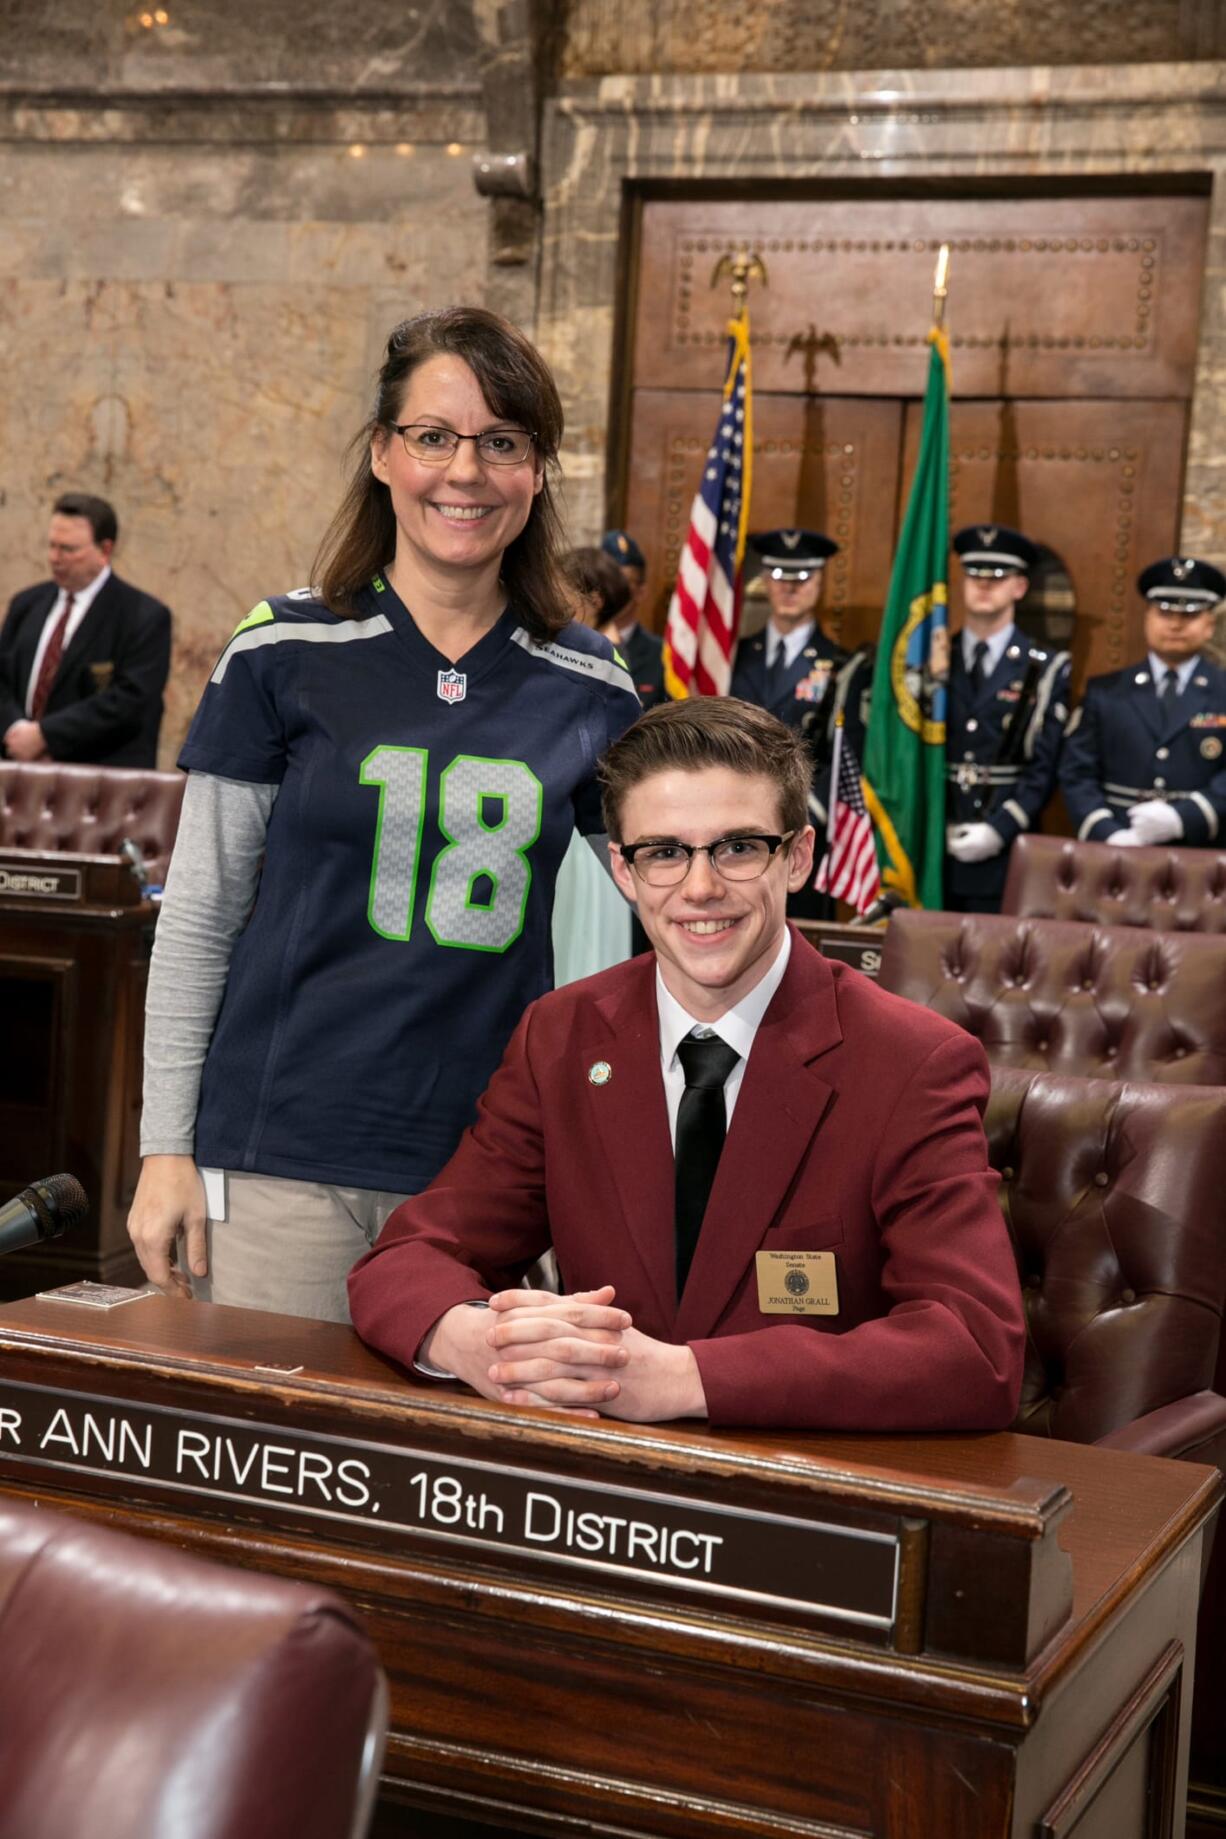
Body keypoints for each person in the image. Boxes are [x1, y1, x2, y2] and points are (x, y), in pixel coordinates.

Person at [128, 306, 640, 1322]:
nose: (465, 471)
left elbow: (649, 914)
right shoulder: (279, 649)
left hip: (485, 1164)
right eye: (433, 437)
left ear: (537, 471)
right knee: (272, 1458)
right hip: (280, 1149)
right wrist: (164, 1148)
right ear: (381, 452)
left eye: (502, 442)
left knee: (446, 1474)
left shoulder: (592, 684)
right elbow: (197, 917)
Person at [349, 698, 1025, 1431]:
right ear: (623, 870)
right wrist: (479, 1341)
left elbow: (975, 1348)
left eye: (737, 847)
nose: (700, 888)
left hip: (810, 1493)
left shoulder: (913, 1062)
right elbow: (409, 1254)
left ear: (797, 855)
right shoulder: (563, 1035)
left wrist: (688, 1377)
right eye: (665, 852)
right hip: (594, 1484)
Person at [731, 528, 870, 919]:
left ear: (820, 583)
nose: (789, 588)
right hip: (732, 815)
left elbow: (850, 751)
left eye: (802, 578)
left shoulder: (843, 665)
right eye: (778, 577)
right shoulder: (735, 656)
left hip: (801, 824)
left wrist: (806, 807)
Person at [945, 524, 1071, 912]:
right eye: (974, 575)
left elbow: (1044, 766)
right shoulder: (932, 659)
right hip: (935, 845)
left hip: (1005, 847)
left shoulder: (1044, 669)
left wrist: (999, 829)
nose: (984, 585)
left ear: (1019, 587)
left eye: (997, 577)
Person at [1061, 556, 1226, 847]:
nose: (1175, 624)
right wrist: (1107, 832)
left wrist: (1186, 817)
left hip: (1200, 856)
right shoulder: (1105, 691)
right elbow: (1076, 773)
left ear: (1209, 625)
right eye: (1164, 613)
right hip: (1117, 847)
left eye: (1188, 615)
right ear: (1146, 618)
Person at [0, 493, 172, 767]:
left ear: (104, 550)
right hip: (17, 776)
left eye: (68, 549)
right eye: (51, 546)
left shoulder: (143, 617)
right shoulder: (26, 604)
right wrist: (14, 730)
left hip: (97, 784)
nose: (54, 558)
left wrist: (45, 736)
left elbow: (130, 701)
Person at [551, 546, 636, 984]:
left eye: (559, 591)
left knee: (585, 951)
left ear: (592, 599)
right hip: (570, 830)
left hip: (594, 831)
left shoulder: (602, 661)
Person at [601, 530, 666, 708]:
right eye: (607, 580)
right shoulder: (575, 644)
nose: (615, 590)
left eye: (625, 582)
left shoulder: (662, 655)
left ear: (640, 591)